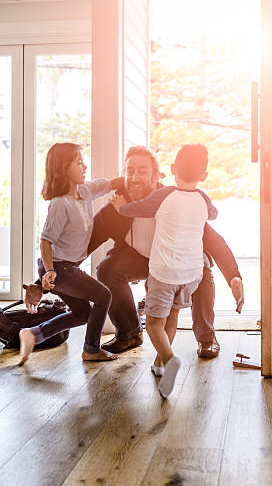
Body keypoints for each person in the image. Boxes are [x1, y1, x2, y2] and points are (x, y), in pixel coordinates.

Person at [88, 145, 244, 358]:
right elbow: (88, 240)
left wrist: (234, 276)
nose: (134, 177)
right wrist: (53, 272)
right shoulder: (117, 205)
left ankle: (206, 338)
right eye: (129, 171)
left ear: (156, 176)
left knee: (203, 270)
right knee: (107, 269)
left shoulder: (173, 199)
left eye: (141, 171)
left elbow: (213, 240)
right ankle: (130, 333)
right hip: (140, 259)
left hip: (179, 259)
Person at [113, 144, 217, 397]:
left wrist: (120, 207)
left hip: (164, 273)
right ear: (204, 175)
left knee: (153, 324)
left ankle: (170, 360)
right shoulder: (203, 198)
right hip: (191, 274)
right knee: (171, 316)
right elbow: (213, 214)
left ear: (172, 170)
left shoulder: (164, 195)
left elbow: (135, 209)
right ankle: (159, 364)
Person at [19, 142, 124, 365]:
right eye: (79, 163)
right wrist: (48, 272)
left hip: (65, 268)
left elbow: (113, 183)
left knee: (81, 313)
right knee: (103, 295)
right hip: (59, 268)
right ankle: (91, 350)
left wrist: (146, 179)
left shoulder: (84, 191)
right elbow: (46, 241)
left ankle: (33, 334)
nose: (84, 167)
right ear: (63, 167)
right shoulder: (59, 204)